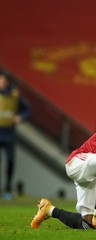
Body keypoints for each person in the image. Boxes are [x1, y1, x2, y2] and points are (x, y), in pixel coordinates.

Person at [0, 69, 30, 200]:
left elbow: (27, 108)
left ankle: (7, 188)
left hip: (9, 133)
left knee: (11, 161)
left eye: (2, 80)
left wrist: (20, 117)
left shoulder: (14, 95)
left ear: (7, 82)